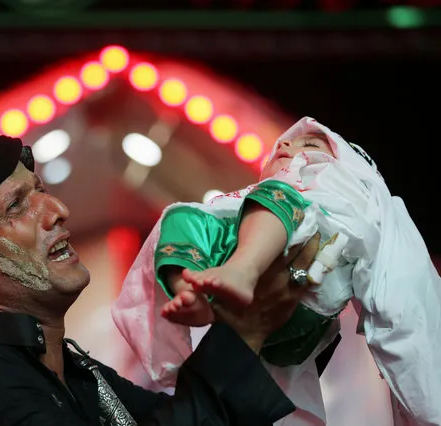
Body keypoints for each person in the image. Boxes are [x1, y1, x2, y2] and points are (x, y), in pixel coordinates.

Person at [0, 128, 324, 426]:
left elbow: (192, 417)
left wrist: (299, 299)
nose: (57, 211)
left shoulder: (71, 370)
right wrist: (245, 328)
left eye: (41, 192)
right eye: (16, 207)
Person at [112, 117, 441, 426]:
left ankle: (244, 270)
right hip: (258, 327)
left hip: (302, 312)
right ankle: (191, 293)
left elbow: (401, 295)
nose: (285, 149)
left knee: (279, 195)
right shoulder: (249, 204)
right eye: (281, 148)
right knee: (180, 215)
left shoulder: (352, 208)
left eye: (310, 146)